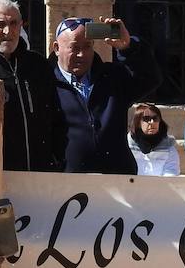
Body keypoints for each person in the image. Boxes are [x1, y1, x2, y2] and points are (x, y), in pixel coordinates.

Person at [51, 17, 159, 174]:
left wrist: (128, 47)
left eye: (87, 46)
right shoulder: (47, 83)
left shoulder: (112, 77)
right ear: (56, 48)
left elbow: (150, 79)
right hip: (68, 183)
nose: (82, 54)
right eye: (74, 48)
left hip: (117, 178)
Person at [0, 0, 64, 172]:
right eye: (0, 24)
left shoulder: (38, 65)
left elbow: (57, 114)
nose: (8, 31)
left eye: (14, 23)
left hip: (43, 172)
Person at [128, 102, 180, 177]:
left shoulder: (169, 149)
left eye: (155, 118)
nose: (152, 122)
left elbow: (171, 174)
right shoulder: (127, 146)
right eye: (146, 119)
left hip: (160, 187)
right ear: (138, 123)